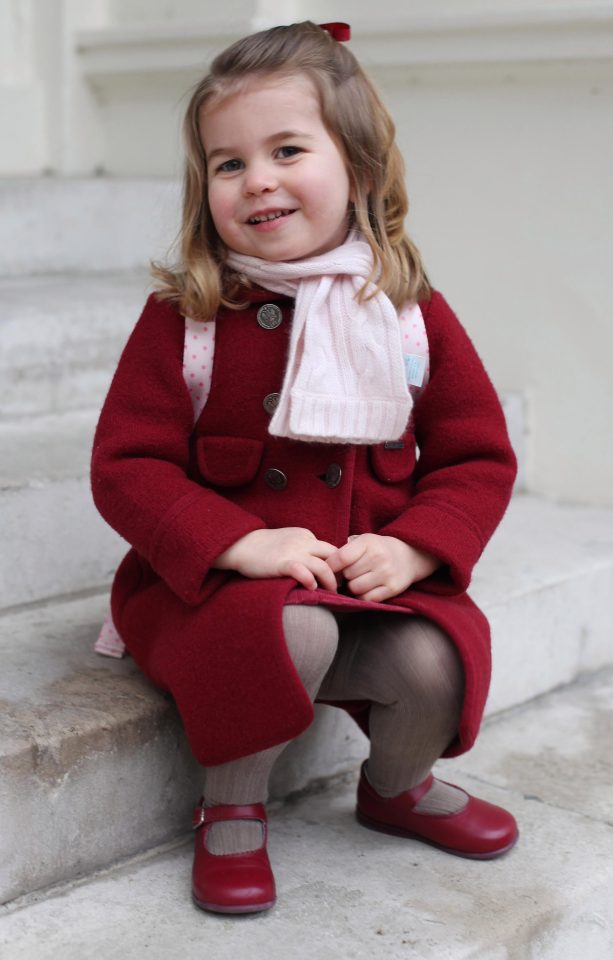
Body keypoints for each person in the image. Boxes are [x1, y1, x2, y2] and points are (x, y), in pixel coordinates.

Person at [91, 20, 519, 916]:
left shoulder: (404, 311)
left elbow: (476, 456)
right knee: (294, 633)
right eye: (227, 162)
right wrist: (237, 543)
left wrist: (413, 551)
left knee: (437, 656)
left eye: (287, 148)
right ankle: (232, 804)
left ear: (357, 167)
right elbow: (128, 467)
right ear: (203, 184)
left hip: (364, 585)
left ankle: (395, 787)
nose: (258, 180)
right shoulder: (191, 319)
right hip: (221, 594)